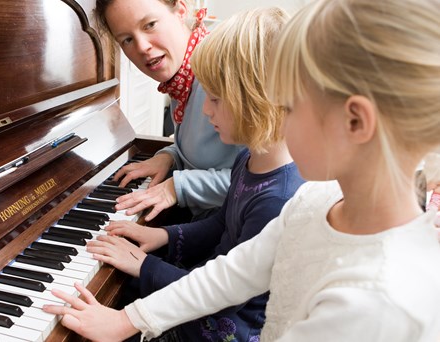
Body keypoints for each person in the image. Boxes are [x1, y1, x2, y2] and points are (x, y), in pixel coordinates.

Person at [43, 0, 440, 340]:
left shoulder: (375, 301)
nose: (274, 121)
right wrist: (127, 320)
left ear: (354, 122)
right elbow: (232, 273)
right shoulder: (314, 202)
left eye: (287, 105)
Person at [87, 8, 300, 341]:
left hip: (223, 327)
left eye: (214, 98)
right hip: (209, 288)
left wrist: (144, 269)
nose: (204, 107)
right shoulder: (249, 158)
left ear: (257, 99)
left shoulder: (276, 200)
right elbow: (222, 223)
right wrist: (165, 236)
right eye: (126, 39)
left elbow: (225, 296)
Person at [94, 0, 244, 221]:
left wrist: (176, 187)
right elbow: (209, 151)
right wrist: (170, 157)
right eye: (127, 39)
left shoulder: (227, 69)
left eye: (150, 25)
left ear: (180, 10)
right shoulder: (181, 76)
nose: (142, 46)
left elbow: (264, 180)